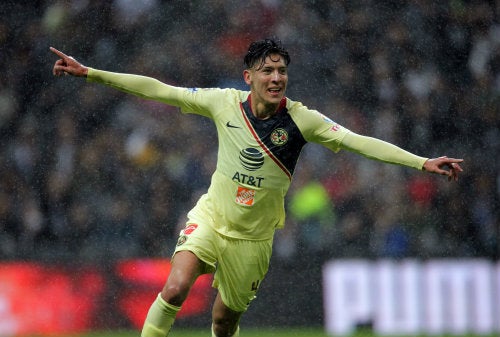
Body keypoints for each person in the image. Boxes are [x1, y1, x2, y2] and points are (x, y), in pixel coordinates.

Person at [50, 38, 463, 337]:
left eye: (282, 70)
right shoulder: (222, 102)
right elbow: (160, 90)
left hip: (253, 240)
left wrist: (420, 162)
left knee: (223, 323)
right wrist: (91, 74)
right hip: (212, 218)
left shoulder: (303, 120)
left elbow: (359, 142)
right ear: (249, 76)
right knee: (175, 287)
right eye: (267, 70)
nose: (277, 76)